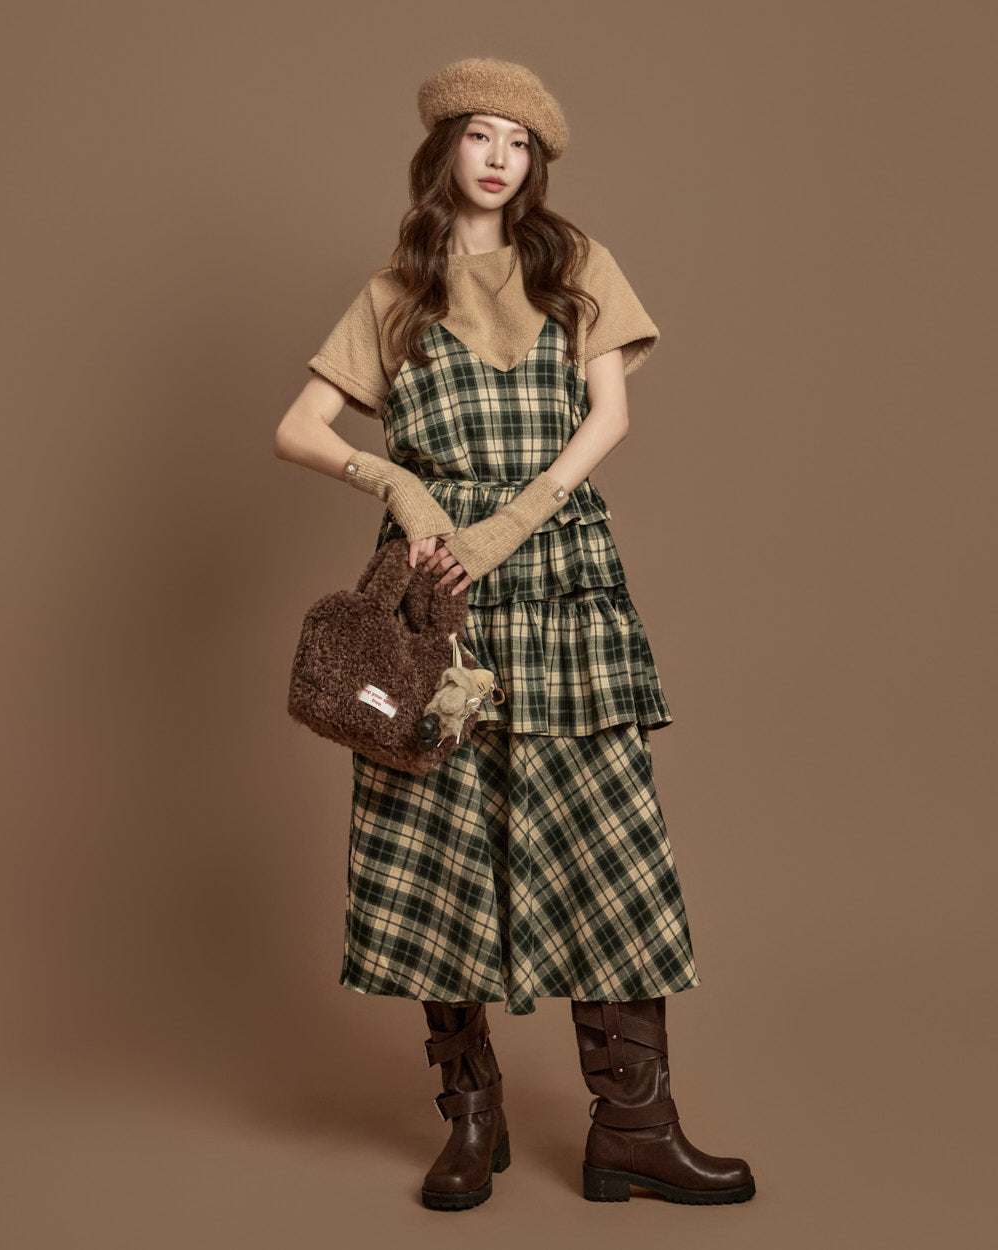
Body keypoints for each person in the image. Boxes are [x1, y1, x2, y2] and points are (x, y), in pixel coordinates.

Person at [274, 56, 756, 1212]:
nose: (498, 157)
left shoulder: (574, 265)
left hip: (557, 577)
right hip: (434, 591)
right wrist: (398, 483)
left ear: (535, 163)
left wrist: (514, 520)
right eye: (479, 134)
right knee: (433, 840)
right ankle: (471, 1116)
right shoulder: (395, 292)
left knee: (605, 834)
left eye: (519, 142)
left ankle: (633, 1124)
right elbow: (299, 425)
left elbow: (609, 416)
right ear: (443, 149)